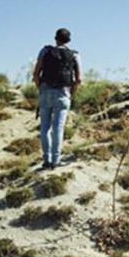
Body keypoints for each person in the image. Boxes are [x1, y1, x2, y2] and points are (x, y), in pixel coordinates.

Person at [32, 28, 81, 169]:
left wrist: (40, 88)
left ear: (56, 39)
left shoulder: (45, 51)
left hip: (45, 91)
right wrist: (72, 94)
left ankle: (46, 159)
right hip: (63, 93)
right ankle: (56, 160)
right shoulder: (75, 55)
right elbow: (79, 79)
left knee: (45, 128)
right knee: (58, 129)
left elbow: (36, 74)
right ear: (68, 41)